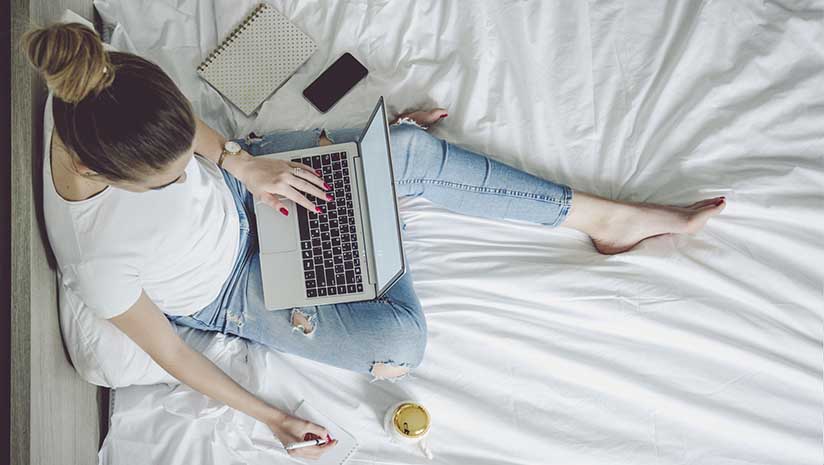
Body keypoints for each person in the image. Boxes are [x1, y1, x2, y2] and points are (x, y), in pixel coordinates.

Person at [23, 23, 725, 460]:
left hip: (246, 187)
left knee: (401, 150)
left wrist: (236, 161)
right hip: (231, 291)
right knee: (398, 346)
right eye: (163, 181)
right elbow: (171, 349)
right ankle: (374, 204)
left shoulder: (102, 82)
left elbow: (186, 139)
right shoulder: (97, 256)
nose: (182, 178)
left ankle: (606, 221)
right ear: (93, 171)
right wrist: (272, 418)